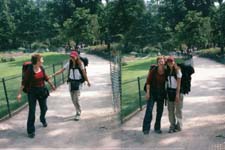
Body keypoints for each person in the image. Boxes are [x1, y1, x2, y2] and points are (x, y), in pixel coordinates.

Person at [17, 54, 56, 138]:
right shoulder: (29, 71)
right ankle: (30, 131)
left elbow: (46, 78)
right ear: (37, 61)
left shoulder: (41, 68)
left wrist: (52, 85)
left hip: (42, 90)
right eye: (42, 59)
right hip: (32, 92)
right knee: (32, 111)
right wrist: (19, 93)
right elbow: (23, 83)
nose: (43, 61)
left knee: (44, 108)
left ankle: (42, 118)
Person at [51, 51, 91, 121]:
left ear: (76, 56)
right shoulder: (69, 63)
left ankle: (78, 113)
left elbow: (84, 73)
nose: (72, 57)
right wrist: (53, 75)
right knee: (73, 99)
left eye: (73, 56)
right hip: (71, 82)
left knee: (76, 98)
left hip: (78, 83)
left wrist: (88, 81)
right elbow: (61, 70)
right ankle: (77, 109)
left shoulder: (80, 63)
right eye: (71, 56)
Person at [142, 56, 167, 134]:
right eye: (159, 61)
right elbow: (148, 82)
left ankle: (157, 128)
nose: (161, 62)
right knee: (149, 110)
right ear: (157, 63)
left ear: (164, 62)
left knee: (159, 111)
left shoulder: (166, 71)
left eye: (162, 61)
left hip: (161, 93)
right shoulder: (153, 70)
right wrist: (148, 93)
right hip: (152, 92)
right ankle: (146, 129)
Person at [165, 56, 183, 133]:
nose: (170, 63)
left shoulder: (178, 70)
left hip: (177, 92)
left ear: (174, 62)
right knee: (170, 110)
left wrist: (177, 95)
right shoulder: (167, 71)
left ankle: (179, 126)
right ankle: (172, 125)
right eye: (169, 62)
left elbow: (178, 84)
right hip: (169, 93)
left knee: (178, 110)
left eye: (171, 62)